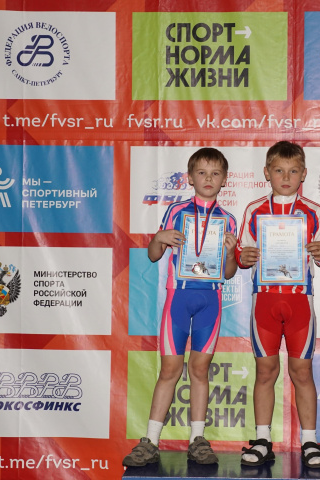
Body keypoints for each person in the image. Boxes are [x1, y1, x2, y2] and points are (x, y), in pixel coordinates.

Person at [122, 147, 238, 467]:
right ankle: (150, 441)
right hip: (179, 298)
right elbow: (153, 255)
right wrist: (159, 237)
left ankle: (197, 439)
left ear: (225, 180)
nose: (208, 178)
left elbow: (229, 273)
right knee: (170, 370)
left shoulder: (228, 220)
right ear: (190, 178)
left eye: (215, 173)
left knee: (200, 370)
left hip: (210, 300)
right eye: (202, 173)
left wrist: (231, 254)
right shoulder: (176, 211)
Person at [234, 141, 320, 468]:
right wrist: (245, 257)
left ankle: (309, 441)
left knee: (302, 371)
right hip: (264, 300)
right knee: (265, 371)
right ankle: (262, 439)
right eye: (279, 170)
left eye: (293, 171)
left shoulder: (314, 211)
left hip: (299, 300)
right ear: (267, 173)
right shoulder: (254, 210)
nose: (286, 177)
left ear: (303, 174)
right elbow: (241, 254)